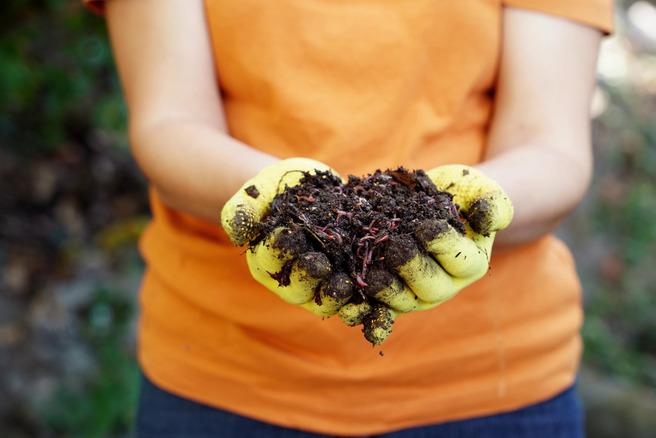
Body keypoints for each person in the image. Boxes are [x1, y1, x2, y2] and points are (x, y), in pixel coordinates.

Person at [86, 0, 612, 436]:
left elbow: (550, 147)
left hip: (491, 386)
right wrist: (277, 198)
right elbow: (169, 122)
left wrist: (464, 208)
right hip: (222, 377)